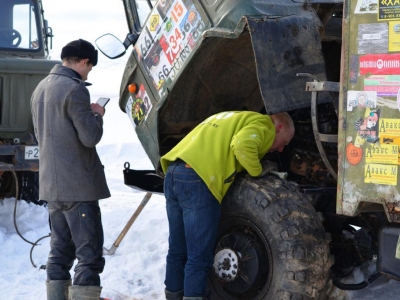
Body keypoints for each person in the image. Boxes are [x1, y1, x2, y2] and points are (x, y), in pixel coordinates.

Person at [160, 110, 295, 300]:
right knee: (199, 254)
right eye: (285, 142)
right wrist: (259, 170)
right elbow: (241, 145)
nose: (281, 149)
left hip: (174, 172)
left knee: (177, 248)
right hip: (198, 178)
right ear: (279, 127)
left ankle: (173, 295)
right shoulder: (264, 124)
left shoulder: (235, 117)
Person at [31, 39, 111, 300]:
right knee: (88, 257)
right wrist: (96, 114)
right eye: (90, 67)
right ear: (84, 62)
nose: (88, 73)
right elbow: (90, 137)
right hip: (78, 189)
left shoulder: (40, 88)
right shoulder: (75, 89)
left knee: (59, 254)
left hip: (52, 188)